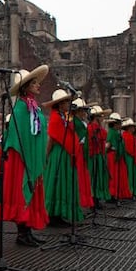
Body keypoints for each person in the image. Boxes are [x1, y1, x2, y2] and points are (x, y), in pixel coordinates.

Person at [0, 66, 50, 246]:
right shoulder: (20, 109)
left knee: (33, 191)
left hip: (33, 156)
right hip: (22, 159)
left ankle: (28, 231)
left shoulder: (33, 107)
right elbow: (16, 137)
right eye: (34, 83)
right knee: (23, 191)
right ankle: (22, 232)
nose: (38, 86)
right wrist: (27, 158)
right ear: (25, 87)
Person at [43, 89, 85, 226]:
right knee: (57, 182)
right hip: (59, 154)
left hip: (66, 154)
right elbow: (52, 139)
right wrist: (47, 156)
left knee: (64, 182)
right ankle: (54, 214)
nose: (68, 104)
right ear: (60, 104)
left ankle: (61, 213)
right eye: (66, 101)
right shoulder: (55, 118)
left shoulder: (65, 116)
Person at [87, 106, 112, 206]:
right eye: (101, 116)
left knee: (100, 178)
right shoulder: (90, 128)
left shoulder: (101, 130)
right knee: (94, 178)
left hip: (100, 157)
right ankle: (93, 199)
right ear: (95, 117)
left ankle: (98, 198)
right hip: (93, 157)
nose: (102, 118)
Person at [106, 113, 131, 201]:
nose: (120, 125)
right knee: (113, 176)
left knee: (117, 176)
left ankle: (116, 193)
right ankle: (112, 194)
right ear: (114, 124)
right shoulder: (112, 132)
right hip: (112, 156)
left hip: (117, 157)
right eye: (119, 123)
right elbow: (108, 145)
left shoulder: (116, 133)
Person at [121, 118, 136, 199]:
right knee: (129, 176)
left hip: (133, 158)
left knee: (132, 175)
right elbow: (129, 149)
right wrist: (135, 154)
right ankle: (130, 192)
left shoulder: (130, 136)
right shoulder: (126, 136)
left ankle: (133, 191)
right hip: (129, 159)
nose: (134, 129)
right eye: (132, 127)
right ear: (129, 127)